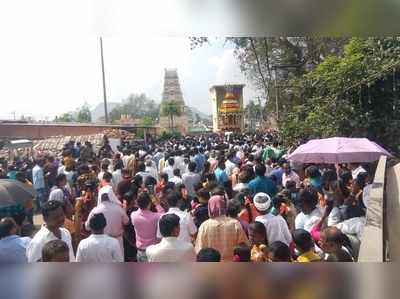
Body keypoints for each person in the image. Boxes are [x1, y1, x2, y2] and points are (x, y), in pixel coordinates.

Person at [195, 195, 249, 261]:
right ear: (224, 206)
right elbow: (244, 245)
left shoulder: (204, 226)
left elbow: (199, 249)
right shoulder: (235, 224)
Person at [86, 191, 129, 256]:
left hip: (100, 242)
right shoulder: (118, 208)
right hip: (117, 240)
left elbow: (87, 227)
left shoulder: (95, 210)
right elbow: (127, 222)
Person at [131, 192, 163, 262]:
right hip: (153, 251)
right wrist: (157, 204)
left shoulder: (133, 215)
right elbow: (163, 215)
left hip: (140, 251)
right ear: (149, 204)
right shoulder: (156, 216)